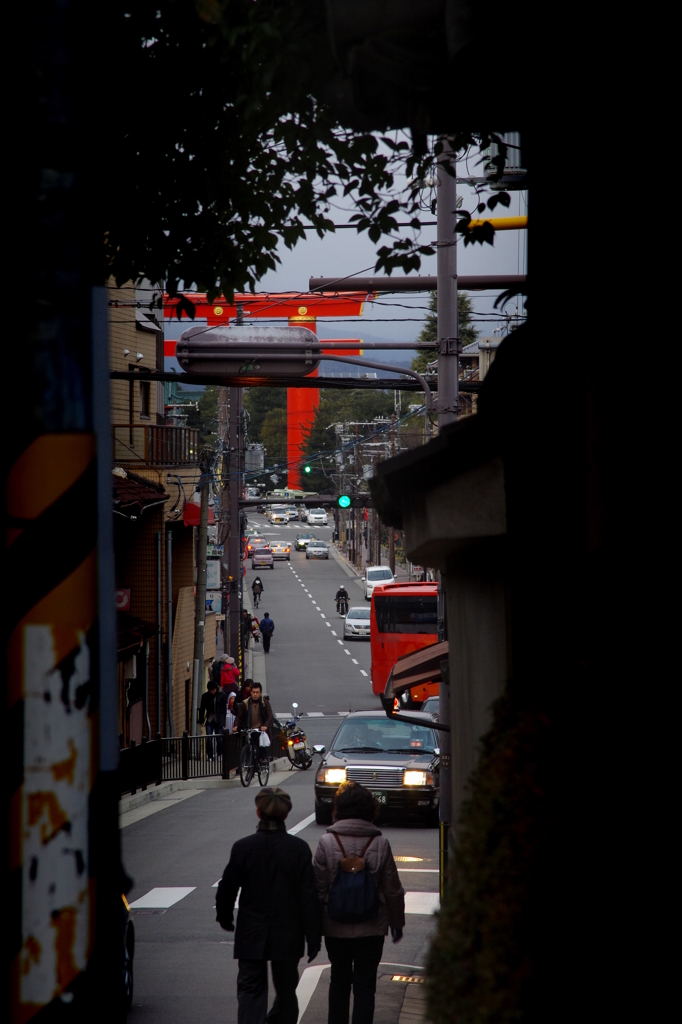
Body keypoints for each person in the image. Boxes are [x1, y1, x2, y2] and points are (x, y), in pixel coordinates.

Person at [216, 787, 321, 1024]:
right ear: (285, 815)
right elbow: (308, 895)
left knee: (250, 989)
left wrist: (225, 916)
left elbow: (228, 886)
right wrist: (313, 936)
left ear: (258, 812)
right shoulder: (299, 849)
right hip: (288, 930)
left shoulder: (244, 847)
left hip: (252, 929)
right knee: (285, 989)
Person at [313, 782, 405, 1024]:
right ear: (370, 809)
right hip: (371, 926)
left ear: (339, 808)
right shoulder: (380, 843)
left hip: (335, 925)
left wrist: (314, 926)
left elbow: (319, 889)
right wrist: (397, 923)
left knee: (339, 980)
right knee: (366, 985)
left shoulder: (327, 842)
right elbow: (392, 889)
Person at [199, 681, 226, 760]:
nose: (212, 692)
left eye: (213, 690)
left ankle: (219, 754)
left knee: (219, 739)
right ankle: (210, 755)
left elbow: (223, 709)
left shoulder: (221, 695)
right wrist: (201, 720)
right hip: (210, 720)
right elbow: (202, 708)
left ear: (216, 689)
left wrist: (223, 721)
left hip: (219, 720)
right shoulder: (205, 696)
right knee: (209, 738)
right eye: (210, 690)